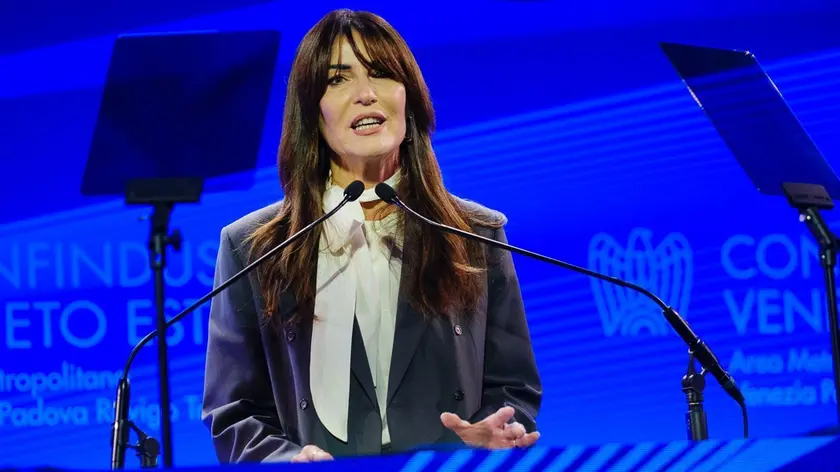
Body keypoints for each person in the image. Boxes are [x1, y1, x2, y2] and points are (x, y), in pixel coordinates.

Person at [201, 9, 542, 463]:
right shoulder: (253, 248)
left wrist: (491, 434)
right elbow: (234, 412)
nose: (365, 94)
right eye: (338, 79)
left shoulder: (476, 234)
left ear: (409, 98)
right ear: (312, 111)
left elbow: (513, 386)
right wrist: (286, 461)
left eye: (381, 73)